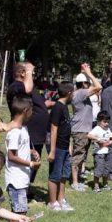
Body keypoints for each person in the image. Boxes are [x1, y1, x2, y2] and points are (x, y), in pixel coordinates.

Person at [5, 95, 40, 222]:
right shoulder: (14, 132)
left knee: (21, 209)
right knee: (18, 210)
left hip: (22, 177)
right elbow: (11, 156)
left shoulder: (23, 129)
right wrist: (31, 163)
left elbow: (21, 149)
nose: (32, 113)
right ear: (26, 110)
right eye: (31, 110)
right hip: (16, 178)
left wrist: (31, 151)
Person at [6, 62, 51, 186]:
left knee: (35, 157)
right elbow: (27, 89)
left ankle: (27, 188)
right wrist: (29, 70)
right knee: (27, 159)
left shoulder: (26, 86)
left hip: (36, 132)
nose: (32, 74)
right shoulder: (16, 86)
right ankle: (23, 189)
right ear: (21, 73)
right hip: (30, 130)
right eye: (29, 72)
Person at [70, 64, 102, 191]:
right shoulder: (81, 93)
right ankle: (74, 182)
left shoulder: (78, 92)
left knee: (82, 155)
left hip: (83, 129)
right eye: (88, 82)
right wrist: (89, 73)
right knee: (78, 156)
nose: (90, 84)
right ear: (83, 84)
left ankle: (76, 179)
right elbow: (99, 86)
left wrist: (85, 72)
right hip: (81, 130)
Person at [47, 82, 74, 211]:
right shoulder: (58, 107)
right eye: (73, 92)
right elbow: (53, 129)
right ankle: (52, 202)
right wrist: (52, 150)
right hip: (57, 146)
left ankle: (61, 199)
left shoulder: (64, 106)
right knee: (55, 174)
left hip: (65, 145)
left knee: (64, 174)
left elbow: (66, 128)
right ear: (69, 93)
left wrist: (69, 145)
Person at [88, 111, 112, 192]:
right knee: (99, 169)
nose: (106, 123)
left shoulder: (108, 129)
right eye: (104, 122)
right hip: (99, 153)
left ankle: (105, 184)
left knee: (106, 169)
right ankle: (96, 186)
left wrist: (109, 142)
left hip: (107, 152)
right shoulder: (97, 128)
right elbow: (89, 135)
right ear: (99, 121)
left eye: (107, 122)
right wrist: (98, 139)